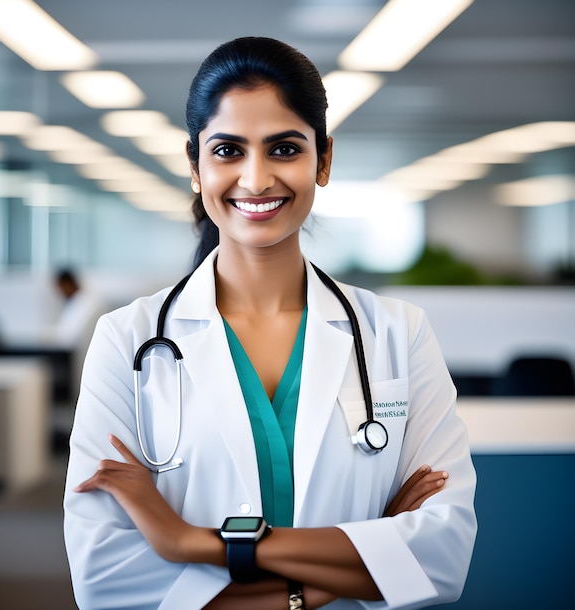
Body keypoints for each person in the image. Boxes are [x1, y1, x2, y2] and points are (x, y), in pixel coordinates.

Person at [64, 37, 476, 609]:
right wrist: (357, 560)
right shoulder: (126, 339)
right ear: (194, 165)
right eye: (229, 151)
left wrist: (190, 542)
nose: (256, 180)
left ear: (324, 160)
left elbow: (442, 556)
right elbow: (105, 579)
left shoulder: (397, 335)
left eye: (283, 149)